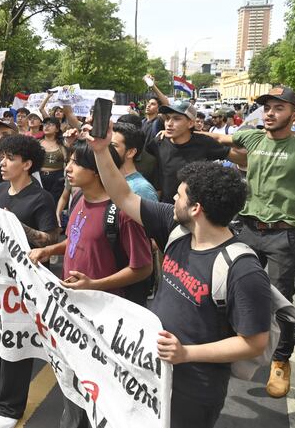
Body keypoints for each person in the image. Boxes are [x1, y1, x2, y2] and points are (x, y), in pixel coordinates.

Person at [84, 126, 271, 428]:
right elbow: (123, 196)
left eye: (180, 195)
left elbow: (254, 343)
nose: (172, 196)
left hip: (194, 391)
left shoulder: (242, 269)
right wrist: (101, 150)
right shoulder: (176, 227)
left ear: (196, 208)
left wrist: (186, 353)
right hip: (152, 373)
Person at [29, 141, 153, 428]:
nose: (68, 168)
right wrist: (50, 251)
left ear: (98, 171)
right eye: (69, 160)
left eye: (77, 163)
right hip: (74, 310)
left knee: (102, 388)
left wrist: (95, 284)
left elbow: (143, 267)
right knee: (73, 378)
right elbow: (77, 239)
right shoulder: (78, 199)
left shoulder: (122, 212)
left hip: (105, 317)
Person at [201, 86, 295, 398]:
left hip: (284, 234)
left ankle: (280, 361)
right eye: (267, 107)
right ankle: (233, 347)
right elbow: (218, 139)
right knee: (233, 289)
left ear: (294, 114)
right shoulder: (252, 137)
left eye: (279, 108)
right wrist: (186, 132)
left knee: (280, 301)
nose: (270, 113)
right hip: (247, 229)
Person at [0, 134, 58, 428]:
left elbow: (51, 239)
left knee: (15, 340)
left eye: (10, 158)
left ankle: (11, 406)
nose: (2, 163)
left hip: (20, 286)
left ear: (27, 164)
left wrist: (15, 225)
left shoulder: (41, 197)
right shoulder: (2, 188)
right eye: (1, 156)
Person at [146, 101, 241, 203]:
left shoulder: (204, 143)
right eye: (167, 118)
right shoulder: (159, 141)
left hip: (194, 211)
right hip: (165, 209)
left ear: (191, 123)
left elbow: (241, 159)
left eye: (176, 119)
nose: (169, 123)